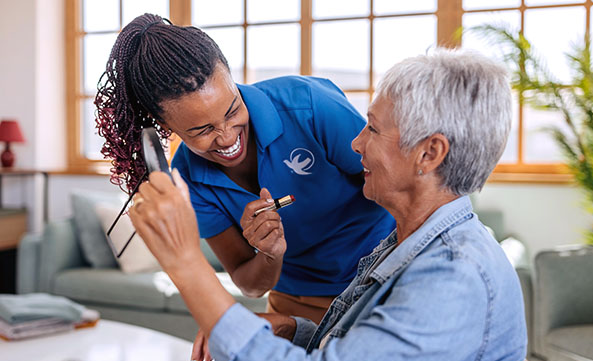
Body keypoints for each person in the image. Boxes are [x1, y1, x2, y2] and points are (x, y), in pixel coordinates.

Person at [128, 48, 527, 361]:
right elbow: (363, 360)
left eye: (371, 128)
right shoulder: (408, 247)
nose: (354, 144)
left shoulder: (450, 278)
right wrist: (293, 329)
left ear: (429, 153)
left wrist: (184, 262)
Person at [95, 13, 395, 323]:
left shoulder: (310, 105)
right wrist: (270, 253)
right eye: (201, 130)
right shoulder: (187, 179)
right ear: (166, 127)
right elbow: (248, 284)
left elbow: (401, 187)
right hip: (300, 302)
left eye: (232, 109)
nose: (227, 137)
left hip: (386, 281)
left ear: (231, 79)